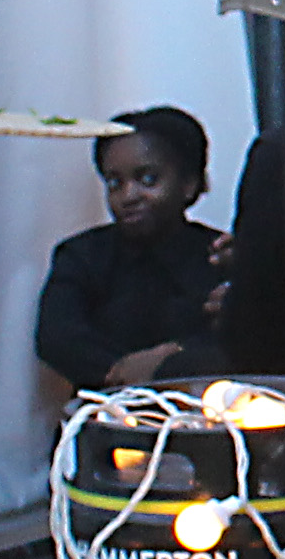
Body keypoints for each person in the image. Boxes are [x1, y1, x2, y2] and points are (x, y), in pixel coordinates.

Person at [38, 106, 234, 390]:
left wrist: (168, 362)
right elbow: (58, 338)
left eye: (148, 179)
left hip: (201, 418)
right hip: (106, 417)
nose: (128, 196)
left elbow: (238, 343)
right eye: (115, 182)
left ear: (189, 184)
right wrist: (129, 373)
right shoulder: (82, 255)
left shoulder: (220, 255)